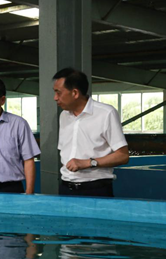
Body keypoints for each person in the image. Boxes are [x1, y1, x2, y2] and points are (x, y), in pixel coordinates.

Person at [53, 68, 129, 197]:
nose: (55, 98)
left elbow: (123, 156)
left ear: (75, 93)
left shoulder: (106, 113)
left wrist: (89, 162)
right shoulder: (64, 116)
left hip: (95, 189)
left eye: (58, 93)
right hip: (66, 188)